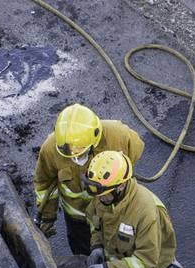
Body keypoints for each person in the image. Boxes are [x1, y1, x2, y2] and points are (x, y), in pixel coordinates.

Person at [34, 104, 145, 257]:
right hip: (79, 219)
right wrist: (48, 216)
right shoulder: (51, 149)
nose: (75, 159)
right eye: (70, 155)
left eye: (80, 153)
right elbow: (43, 184)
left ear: (94, 139)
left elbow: (136, 150)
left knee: (121, 246)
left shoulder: (118, 136)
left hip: (113, 211)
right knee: (84, 254)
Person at [82, 149, 177, 268]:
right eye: (98, 195)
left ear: (121, 186)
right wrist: (97, 246)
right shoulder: (103, 197)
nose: (100, 199)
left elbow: (145, 262)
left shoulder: (146, 211)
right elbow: (94, 222)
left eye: (106, 195)